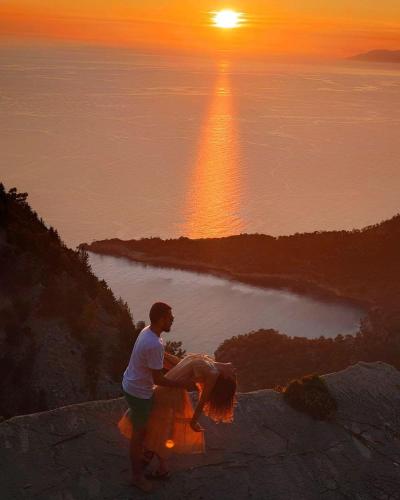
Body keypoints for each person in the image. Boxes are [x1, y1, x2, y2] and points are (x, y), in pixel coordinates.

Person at [119, 349, 237, 481]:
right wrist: (161, 354)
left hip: (169, 394)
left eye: (233, 375)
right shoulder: (210, 362)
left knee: (156, 428)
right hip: (164, 390)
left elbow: (203, 399)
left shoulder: (213, 373)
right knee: (156, 427)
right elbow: (180, 366)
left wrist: (193, 421)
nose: (235, 371)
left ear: (225, 377)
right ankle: (155, 461)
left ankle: (153, 461)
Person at [121, 302, 192, 493]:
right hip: (139, 393)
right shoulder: (153, 343)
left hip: (132, 383)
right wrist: (183, 383)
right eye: (170, 317)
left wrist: (181, 368)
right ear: (161, 319)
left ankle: (149, 460)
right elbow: (158, 379)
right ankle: (137, 477)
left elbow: (158, 365)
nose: (173, 319)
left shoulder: (148, 332)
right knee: (139, 434)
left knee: (151, 424)